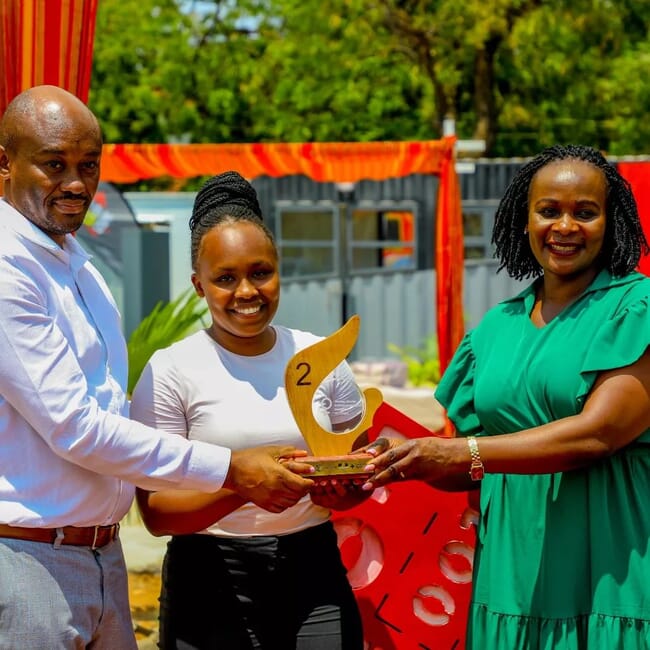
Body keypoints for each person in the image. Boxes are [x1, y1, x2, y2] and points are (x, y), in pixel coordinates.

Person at [0, 85, 315, 650]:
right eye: (54, 164)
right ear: (4, 162)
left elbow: (105, 408)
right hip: (29, 561)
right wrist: (232, 470)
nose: (76, 183)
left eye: (88, 165)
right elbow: (75, 426)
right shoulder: (7, 268)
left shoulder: (76, 263)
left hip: (100, 555)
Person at [361, 144, 650, 649]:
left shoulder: (635, 307)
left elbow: (599, 434)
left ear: (612, 224)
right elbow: (461, 462)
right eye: (549, 211)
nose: (565, 226)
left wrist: (460, 452)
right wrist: (389, 464)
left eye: (585, 213)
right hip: (513, 576)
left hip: (610, 566)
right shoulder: (495, 328)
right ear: (524, 220)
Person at [129, 170, 367, 650]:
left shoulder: (321, 359)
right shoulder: (171, 370)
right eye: (224, 279)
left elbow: (356, 479)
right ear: (198, 285)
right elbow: (156, 513)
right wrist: (244, 486)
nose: (246, 293)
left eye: (261, 272)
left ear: (280, 269)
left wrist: (344, 490)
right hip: (210, 577)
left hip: (314, 570)